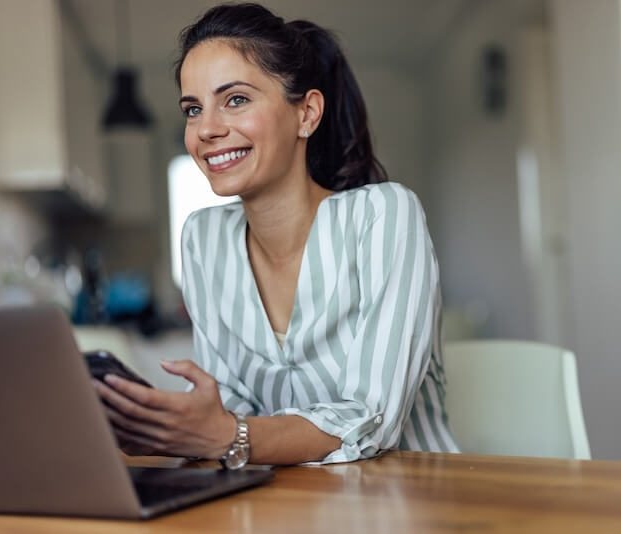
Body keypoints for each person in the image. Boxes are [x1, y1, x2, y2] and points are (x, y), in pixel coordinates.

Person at [92, 2, 459, 466]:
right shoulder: (203, 240)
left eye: (236, 99)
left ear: (306, 114)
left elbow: (371, 417)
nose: (206, 129)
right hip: (281, 500)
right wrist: (168, 428)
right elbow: (229, 406)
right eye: (192, 108)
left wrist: (226, 435)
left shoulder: (384, 215)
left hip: (412, 499)